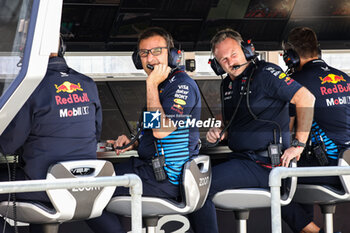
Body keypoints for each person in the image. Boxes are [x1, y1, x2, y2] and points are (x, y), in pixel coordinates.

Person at [188, 28, 315, 233]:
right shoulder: (227, 85)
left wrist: (298, 145)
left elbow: (306, 98)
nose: (230, 62)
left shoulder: (266, 73)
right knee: (192, 171)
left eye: (234, 54)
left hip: (264, 163)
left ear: (247, 51)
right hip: (241, 159)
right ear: (217, 65)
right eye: (223, 60)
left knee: (198, 186)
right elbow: (231, 123)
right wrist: (220, 131)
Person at [86, 27, 201, 233]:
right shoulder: (163, 85)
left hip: (164, 179)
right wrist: (134, 141)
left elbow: (161, 131)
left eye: (157, 51)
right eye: (144, 53)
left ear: (173, 55)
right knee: (90, 180)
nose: (150, 58)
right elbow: (153, 133)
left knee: (87, 191)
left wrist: (150, 84)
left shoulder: (181, 85)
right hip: (148, 169)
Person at [0, 40, 102, 231]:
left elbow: (8, 145)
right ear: (62, 49)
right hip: (87, 186)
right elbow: (96, 133)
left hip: (44, 188)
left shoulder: (30, 88)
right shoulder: (88, 84)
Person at [283, 26, 349, 233]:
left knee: (271, 182)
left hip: (326, 171)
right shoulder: (345, 78)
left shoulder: (295, 84)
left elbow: (286, 130)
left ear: (290, 57)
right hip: (347, 169)